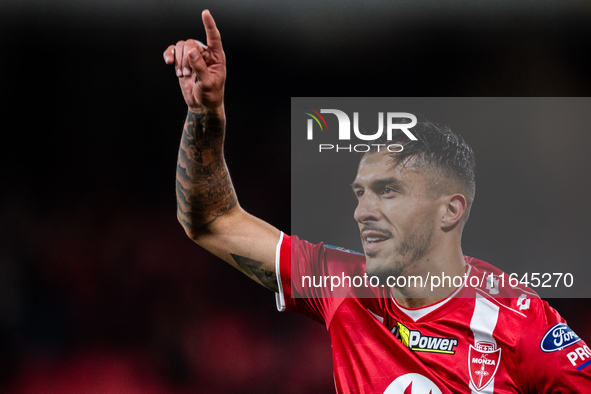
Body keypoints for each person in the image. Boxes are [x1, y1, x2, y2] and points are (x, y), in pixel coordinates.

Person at [163, 10, 591, 393]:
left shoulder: (522, 327)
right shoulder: (341, 284)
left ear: (451, 210)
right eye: (361, 193)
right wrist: (207, 115)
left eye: (389, 191)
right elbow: (210, 220)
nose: (363, 211)